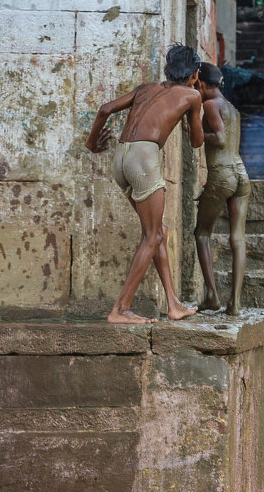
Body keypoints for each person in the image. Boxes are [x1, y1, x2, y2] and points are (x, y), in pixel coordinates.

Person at [84, 44, 204, 324]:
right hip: (144, 159)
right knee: (151, 236)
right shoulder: (192, 95)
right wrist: (192, 115)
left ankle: (174, 305)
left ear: (166, 70)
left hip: (121, 158)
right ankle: (121, 309)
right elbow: (196, 142)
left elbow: (104, 109)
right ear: (194, 75)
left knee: (156, 231)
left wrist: (92, 144)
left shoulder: (144, 88)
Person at [193, 63, 250, 315]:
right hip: (241, 174)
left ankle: (213, 296)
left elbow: (220, 137)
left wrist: (195, 131)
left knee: (202, 233)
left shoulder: (210, 105)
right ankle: (235, 304)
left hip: (222, 175)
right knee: (237, 238)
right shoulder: (233, 109)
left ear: (203, 84)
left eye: (197, 85)